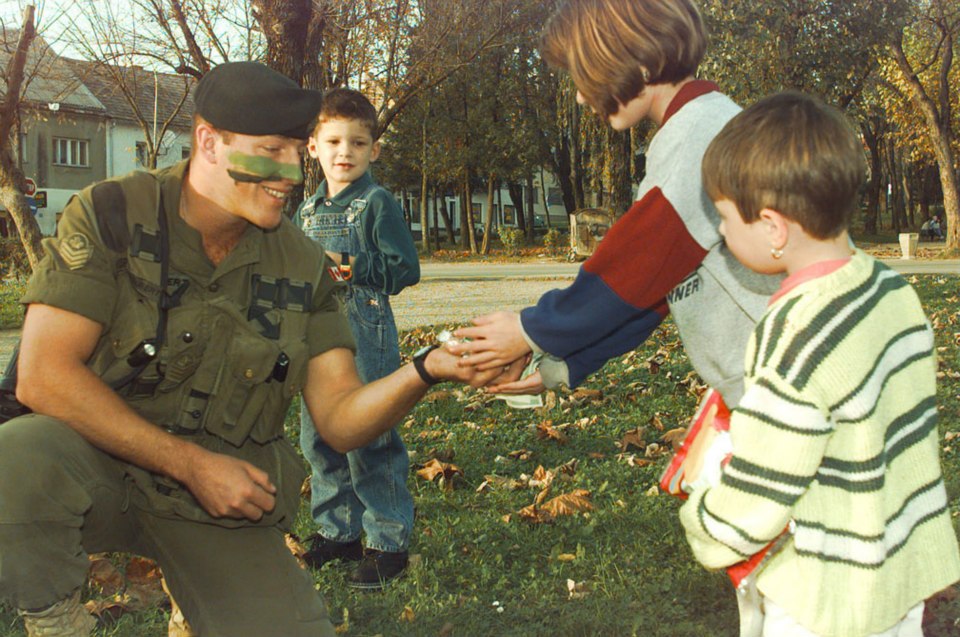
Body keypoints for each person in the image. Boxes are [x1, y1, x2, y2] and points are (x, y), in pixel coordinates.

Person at [0, 62, 494, 637]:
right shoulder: (112, 213)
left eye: (294, 153)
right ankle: (55, 618)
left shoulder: (303, 264)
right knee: (19, 452)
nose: (289, 172)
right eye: (269, 152)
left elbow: (338, 420)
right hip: (99, 470)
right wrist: (192, 464)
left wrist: (427, 369)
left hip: (217, 506)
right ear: (208, 142)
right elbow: (42, 376)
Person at [679, 91, 960, 637]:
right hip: (898, 574)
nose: (719, 232)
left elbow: (762, 495)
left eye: (724, 217)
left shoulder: (793, 333)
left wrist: (705, 514)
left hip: (827, 598)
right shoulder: (891, 291)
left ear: (772, 227)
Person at [452, 0, 778, 421]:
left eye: (584, 75)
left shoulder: (697, 136)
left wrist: (528, 329)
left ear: (641, 60)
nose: (580, 95)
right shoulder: (695, 128)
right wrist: (566, 364)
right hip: (772, 385)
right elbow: (657, 289)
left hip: (796, 382)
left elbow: (630, 269)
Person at [295, 88, 419, 588]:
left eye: (358, 143)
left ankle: (387, 544)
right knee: (320, 436)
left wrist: (349, 267)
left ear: (375, 150)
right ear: (313, 147)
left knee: (370, 436)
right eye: (334, 142)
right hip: (317, 339)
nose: (344, 153)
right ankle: (337, 532)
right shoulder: (305, 212)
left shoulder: (376, 203)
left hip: (364, 332)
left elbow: (404, 269)